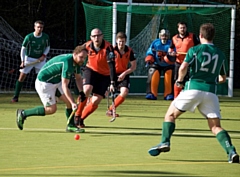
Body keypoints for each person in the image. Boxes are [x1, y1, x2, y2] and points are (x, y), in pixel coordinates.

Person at [148, 23, 239, 163]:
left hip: (193, 89)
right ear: (213, 36)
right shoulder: (220, 54)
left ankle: (165, 142)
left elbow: (183, 66)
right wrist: (211, 78)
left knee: (170, 115)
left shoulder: (195, 50)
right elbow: (222, 78)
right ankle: (231, 151)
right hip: (211, 93)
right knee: (215, 127)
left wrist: (179, 80)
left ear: (200, 36)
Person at [16, 45, 88, 133]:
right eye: (81, 57)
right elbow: (65, 86)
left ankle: (71, 126)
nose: (82, 60)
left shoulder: (76, 62)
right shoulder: (67, 63)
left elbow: (78, 78)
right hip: (45, 83)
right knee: (51, 109)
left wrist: (81, 92)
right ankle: (23, 113)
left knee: (68, 102)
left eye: (84, 58)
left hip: (56, 82)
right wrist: (73, 103)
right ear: (75, 54)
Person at [74, 28, 116, 128]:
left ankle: (82, 119)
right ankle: (77, 115)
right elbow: (77, 54)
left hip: (104, 75)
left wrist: (112, 82)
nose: (96, 38)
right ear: (91, 37)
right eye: (94, 36)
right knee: (86, 90)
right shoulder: (87, 46)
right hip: (90, 70)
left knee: (96, 100)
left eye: (98, 35)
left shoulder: (108, 48)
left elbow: (112, 66)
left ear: (102, 36)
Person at [12, 20, 50, 102]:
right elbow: (23, 49)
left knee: (44, 77)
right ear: (34, 27)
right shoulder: (29, 37)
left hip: (40, 60)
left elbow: (47, 47)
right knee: (22, 77)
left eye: (41, 27)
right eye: (38, 27)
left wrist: (43, 55)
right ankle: (15, 96)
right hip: (29, 59)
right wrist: (22, 61)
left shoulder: (45, 37)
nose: (39, 29)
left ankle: (47, 97)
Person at [105, 32, 137, 117]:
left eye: (123, 41)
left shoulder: (129, 51)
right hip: (112, 74)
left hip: (124, 73)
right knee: (104, 93)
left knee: (125, 92)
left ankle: (111, 109)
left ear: (125, 41)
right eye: (119, 41)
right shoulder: (112, 51)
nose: (121, 43)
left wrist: (124, 74)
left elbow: (133, 67)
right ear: (116, 41)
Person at [168, 21, 199, 99]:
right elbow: (170, 49)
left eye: (184, 28)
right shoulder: (174, 38)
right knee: (177, 80)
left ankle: (190, 98)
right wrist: (171, 53)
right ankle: (176, 98)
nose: (182, 29)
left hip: (190, 62)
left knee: (189, 80)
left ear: (186, 28)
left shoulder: (192, 36)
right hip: (178, 62)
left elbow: (199, 46)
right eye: (181, 28)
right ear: (178, 29)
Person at [145, 29, 175, 100]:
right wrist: (149, 57)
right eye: (162, 35)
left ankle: (169, 94)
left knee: (169, 74)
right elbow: (150, 51)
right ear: (160, 36)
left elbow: (175, 52)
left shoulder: (171, 43)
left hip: (168, 64)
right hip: (156, 63)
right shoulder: (155, 43)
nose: (164, 37)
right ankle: (151, 93)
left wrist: (173, 56)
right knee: (152, 72)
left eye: (165, 36)